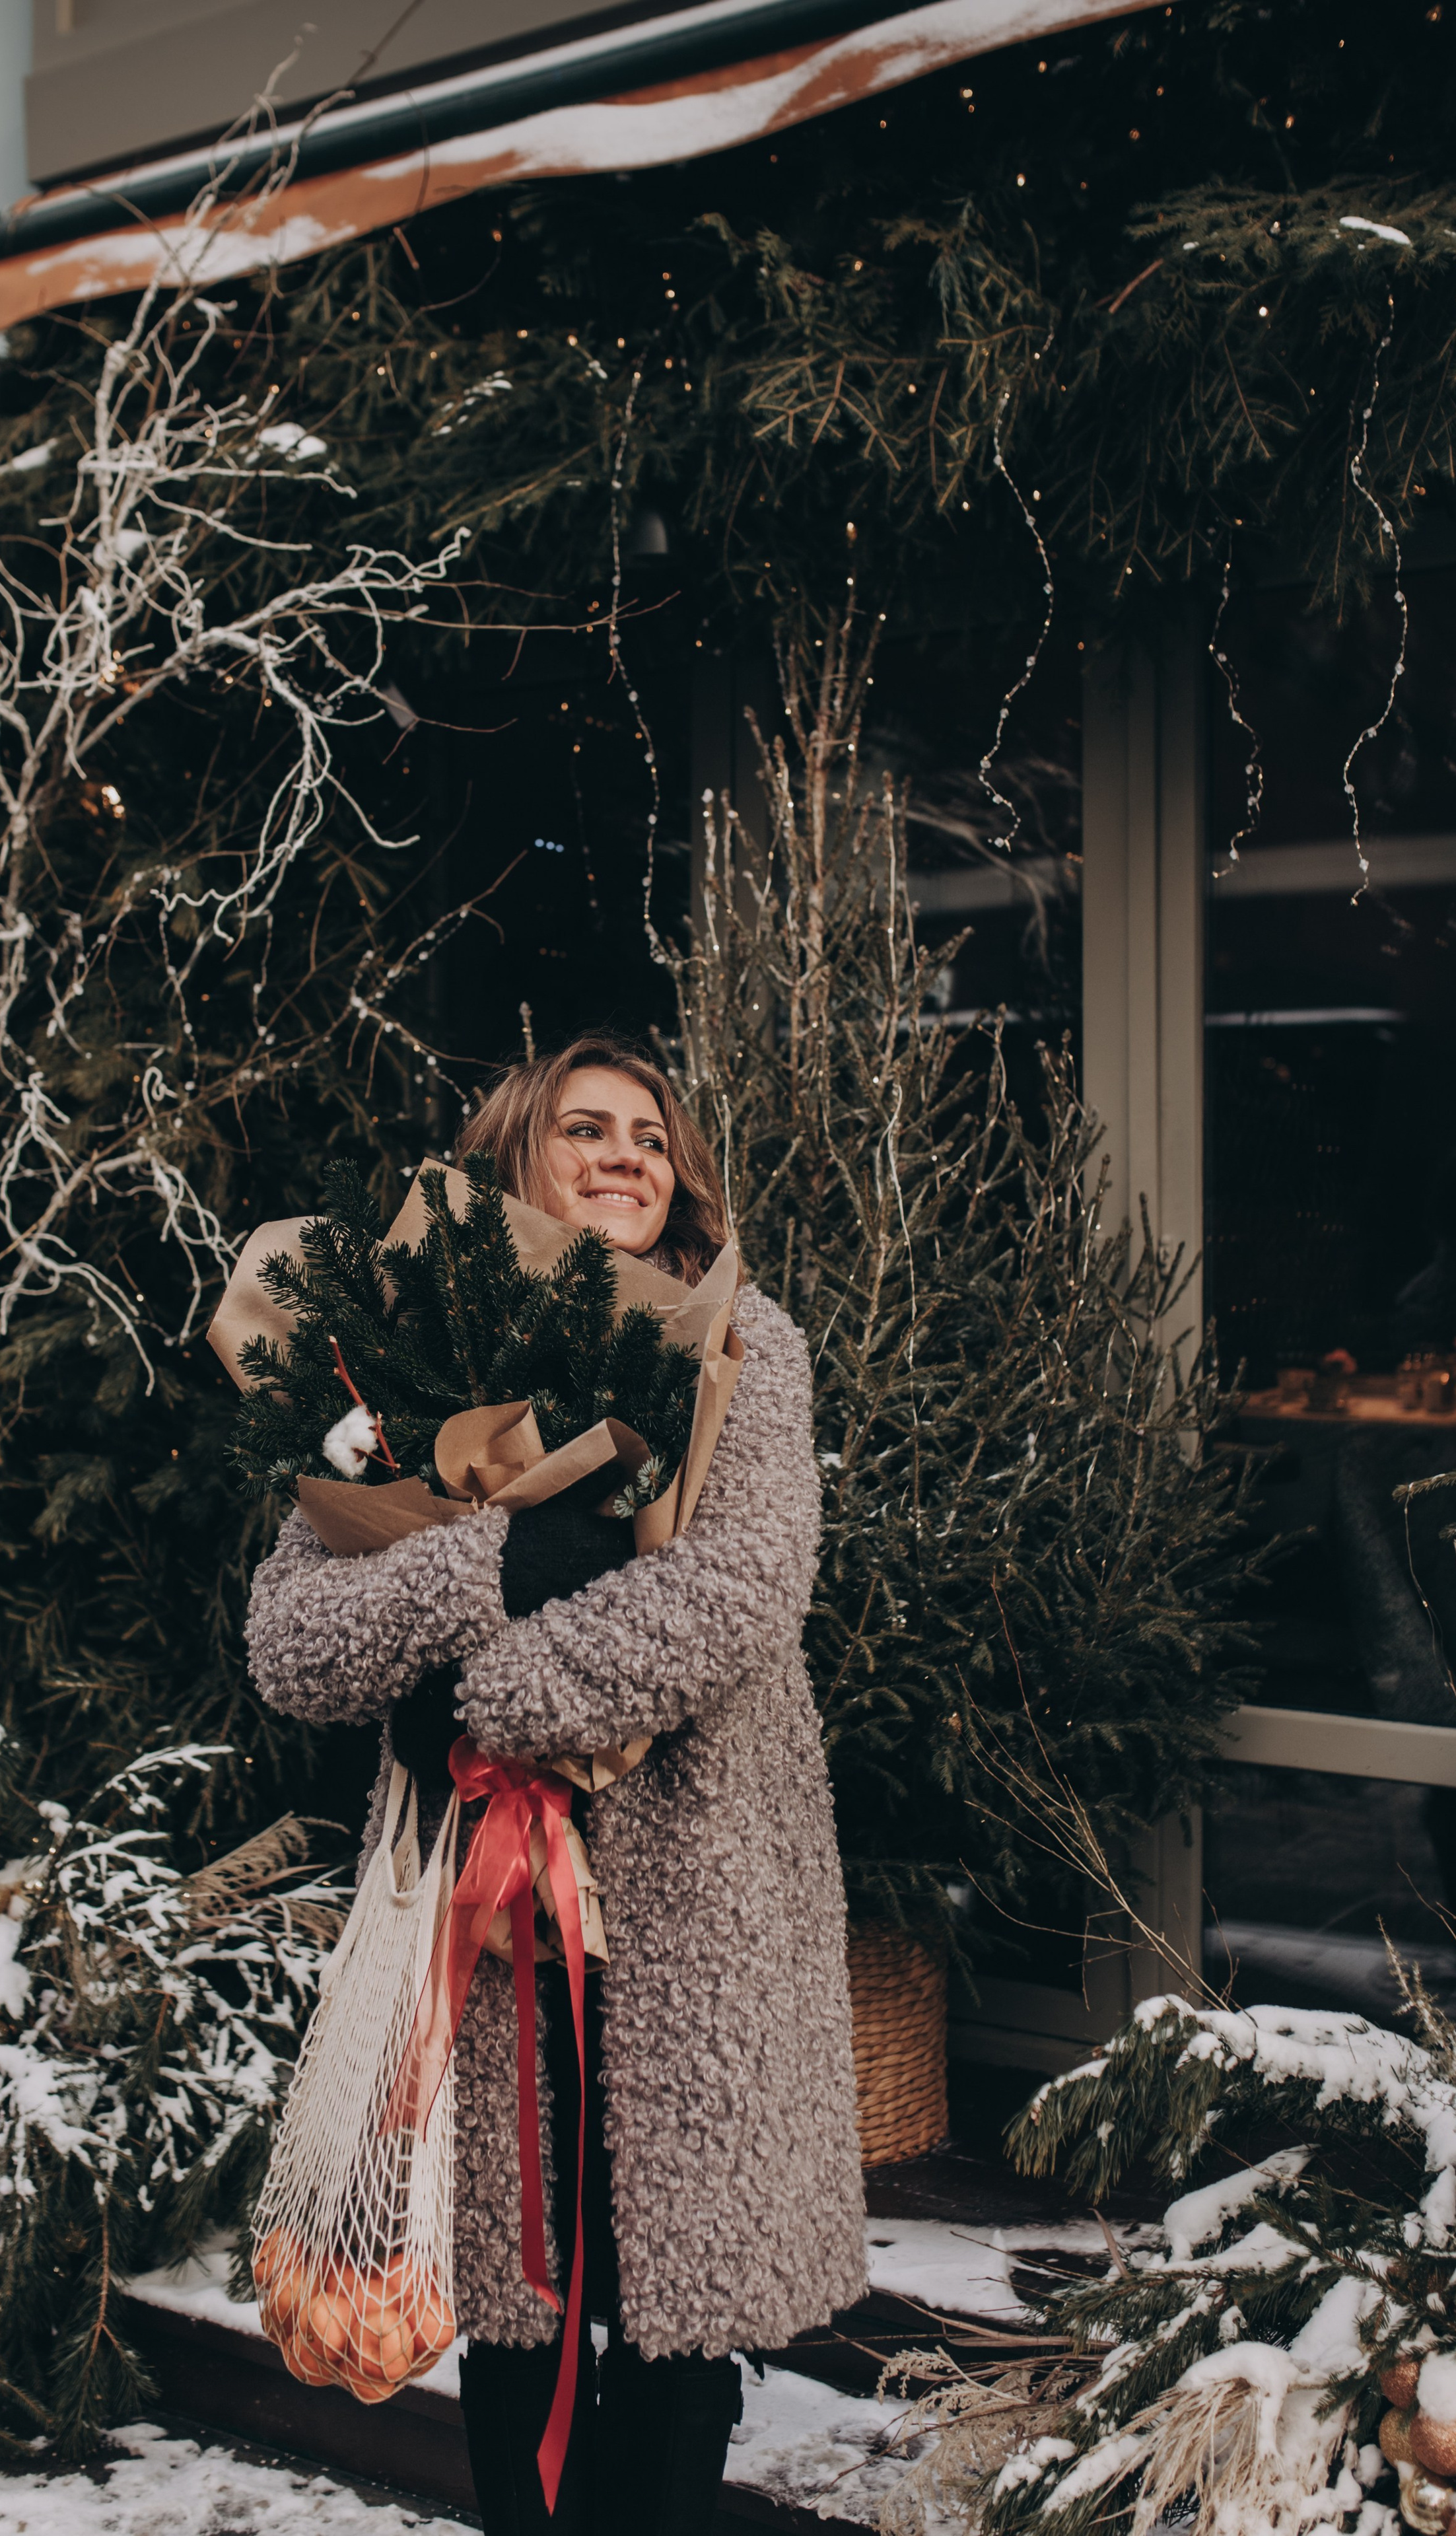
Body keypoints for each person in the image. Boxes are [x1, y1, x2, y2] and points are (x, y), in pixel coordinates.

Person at [244, 1033, 866, 2534]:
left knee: (670, 2312)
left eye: (650, 1137)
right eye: (584, 1128)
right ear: (514, 1158)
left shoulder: (738, 1343)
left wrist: (485, 1697)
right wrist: (493, 1560)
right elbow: (293, 1634)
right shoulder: (399, 1361)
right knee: (518, 2304)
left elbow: (733, 1596)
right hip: (488, 1928)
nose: (625, 1157)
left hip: (693, 1907)